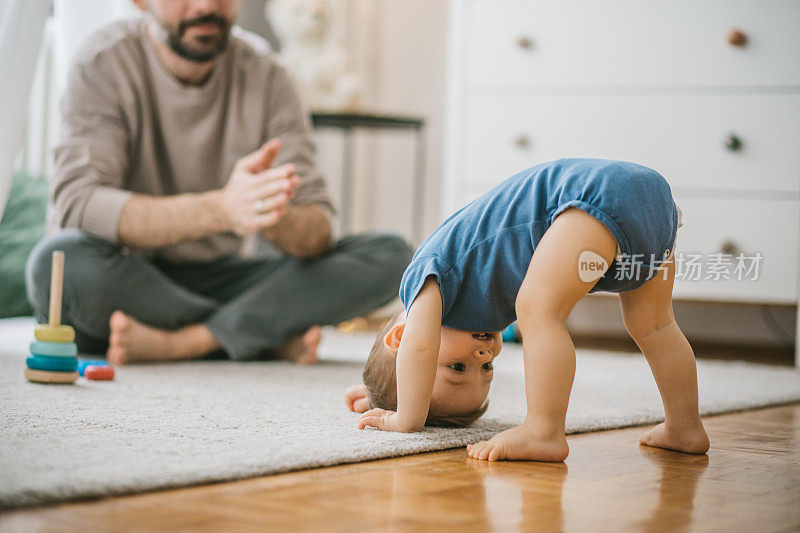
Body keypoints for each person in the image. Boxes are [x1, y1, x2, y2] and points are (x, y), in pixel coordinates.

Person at [25, 0, 412, 365]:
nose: (207, 6)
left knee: (392, 256)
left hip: (226, 277)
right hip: (131, 273)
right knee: (55, 263)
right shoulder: (102, 62)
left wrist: (267, 209)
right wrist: (223, 209)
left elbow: (318, 229)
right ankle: (258, 334)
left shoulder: (269, 74)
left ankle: (189, 342)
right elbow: (78, 203)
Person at [345, 158, 710, 462]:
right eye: (486, 367)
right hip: (652, 204)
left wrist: (405, 417)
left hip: (596, 199)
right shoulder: (476, 305)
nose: (483, 353)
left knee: (538, 310)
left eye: (459, 367)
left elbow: (419, 347)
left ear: (400, 336)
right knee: (655, 326)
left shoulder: (425, 278)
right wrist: (375, 392)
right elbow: (411, 358)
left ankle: (544, 430)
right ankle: (685, 427)